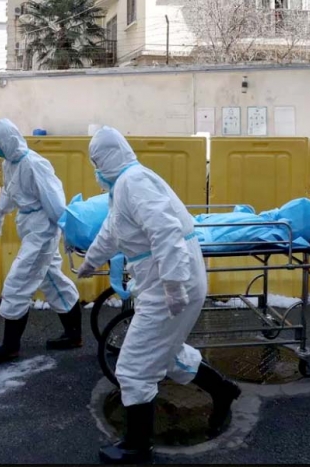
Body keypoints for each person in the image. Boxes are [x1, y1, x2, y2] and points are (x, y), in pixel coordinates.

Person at [77, 126, 241, 464]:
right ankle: (222, 390)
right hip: (164, 280)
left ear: (106, 158)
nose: (94, 169)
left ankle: (137, 446)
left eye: (95, 161)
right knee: (167, 354)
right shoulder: (124, 186)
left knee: (134, 366)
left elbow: (166, 231)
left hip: (170, 282)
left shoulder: (133, 182)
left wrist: (173, 283)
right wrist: (91, 261)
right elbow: (112, 230)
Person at [0, 118, 82, 364]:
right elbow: (9, 190)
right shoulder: (10, 163)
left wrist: (67, 231)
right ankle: (73, 334)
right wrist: (0, 213)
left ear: (8, 140)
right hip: (29, 226)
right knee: (51, 280)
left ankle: (10, 345)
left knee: (18, 281)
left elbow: (55, 202)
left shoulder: (34, 165)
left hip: (42, 231)